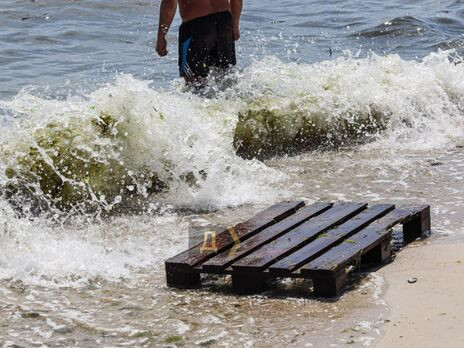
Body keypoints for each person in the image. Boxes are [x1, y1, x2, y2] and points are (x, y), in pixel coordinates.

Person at [156, 0, 243, 87]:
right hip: (224, 23)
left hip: (197, 27)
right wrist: (235, 24)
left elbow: (169, 3)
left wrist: (161, 37)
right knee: (225, 76)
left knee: (193, 82)